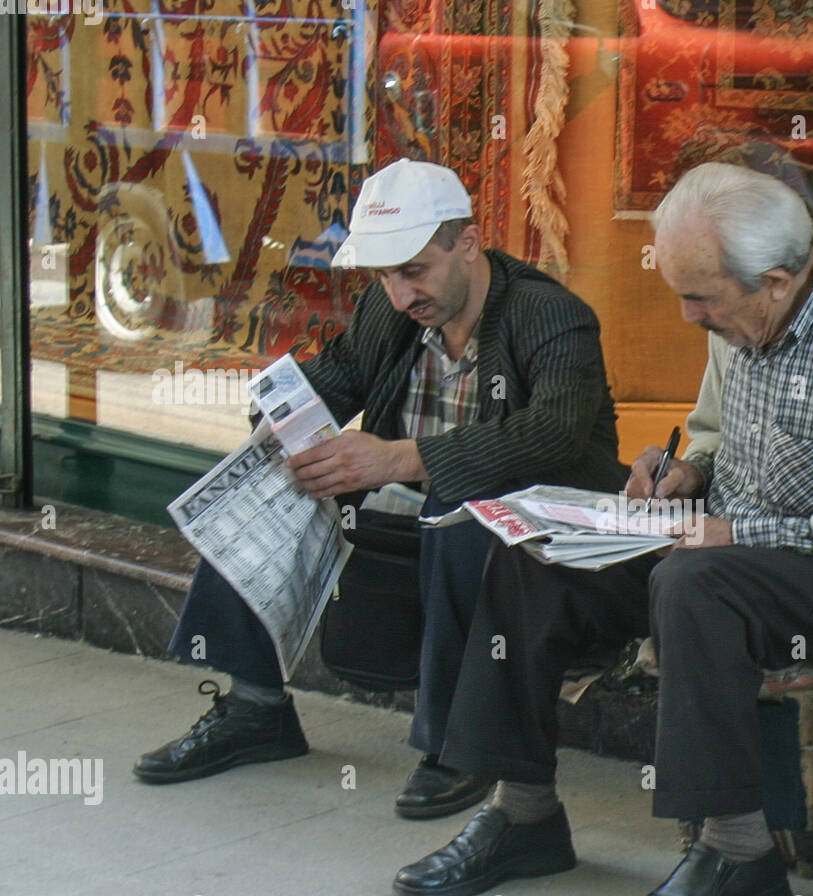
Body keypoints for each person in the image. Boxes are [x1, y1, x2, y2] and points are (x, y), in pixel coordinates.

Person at [389, 162, 813, 896]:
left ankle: (738, 853)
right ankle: (521, 812)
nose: (690, 316)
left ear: (774, 281)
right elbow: (716, 434)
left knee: (696, 581)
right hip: (729, 556)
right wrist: (686, 471)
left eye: (702, 300)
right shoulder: (743, 313)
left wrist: (736, 535)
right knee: (532, 554)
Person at [133, 159, 625, 821]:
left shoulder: (550, 316)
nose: (399, 294)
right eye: (385, 276)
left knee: (460, 508)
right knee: (275, 481)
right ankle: (255, 708)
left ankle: (458, 744)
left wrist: (403, 458)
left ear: (469, 244)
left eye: (414, 271)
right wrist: (283, 425)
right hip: (409, 511)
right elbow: (337, 376)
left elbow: (553, 439)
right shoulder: (392, 310)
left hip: (530, 527)